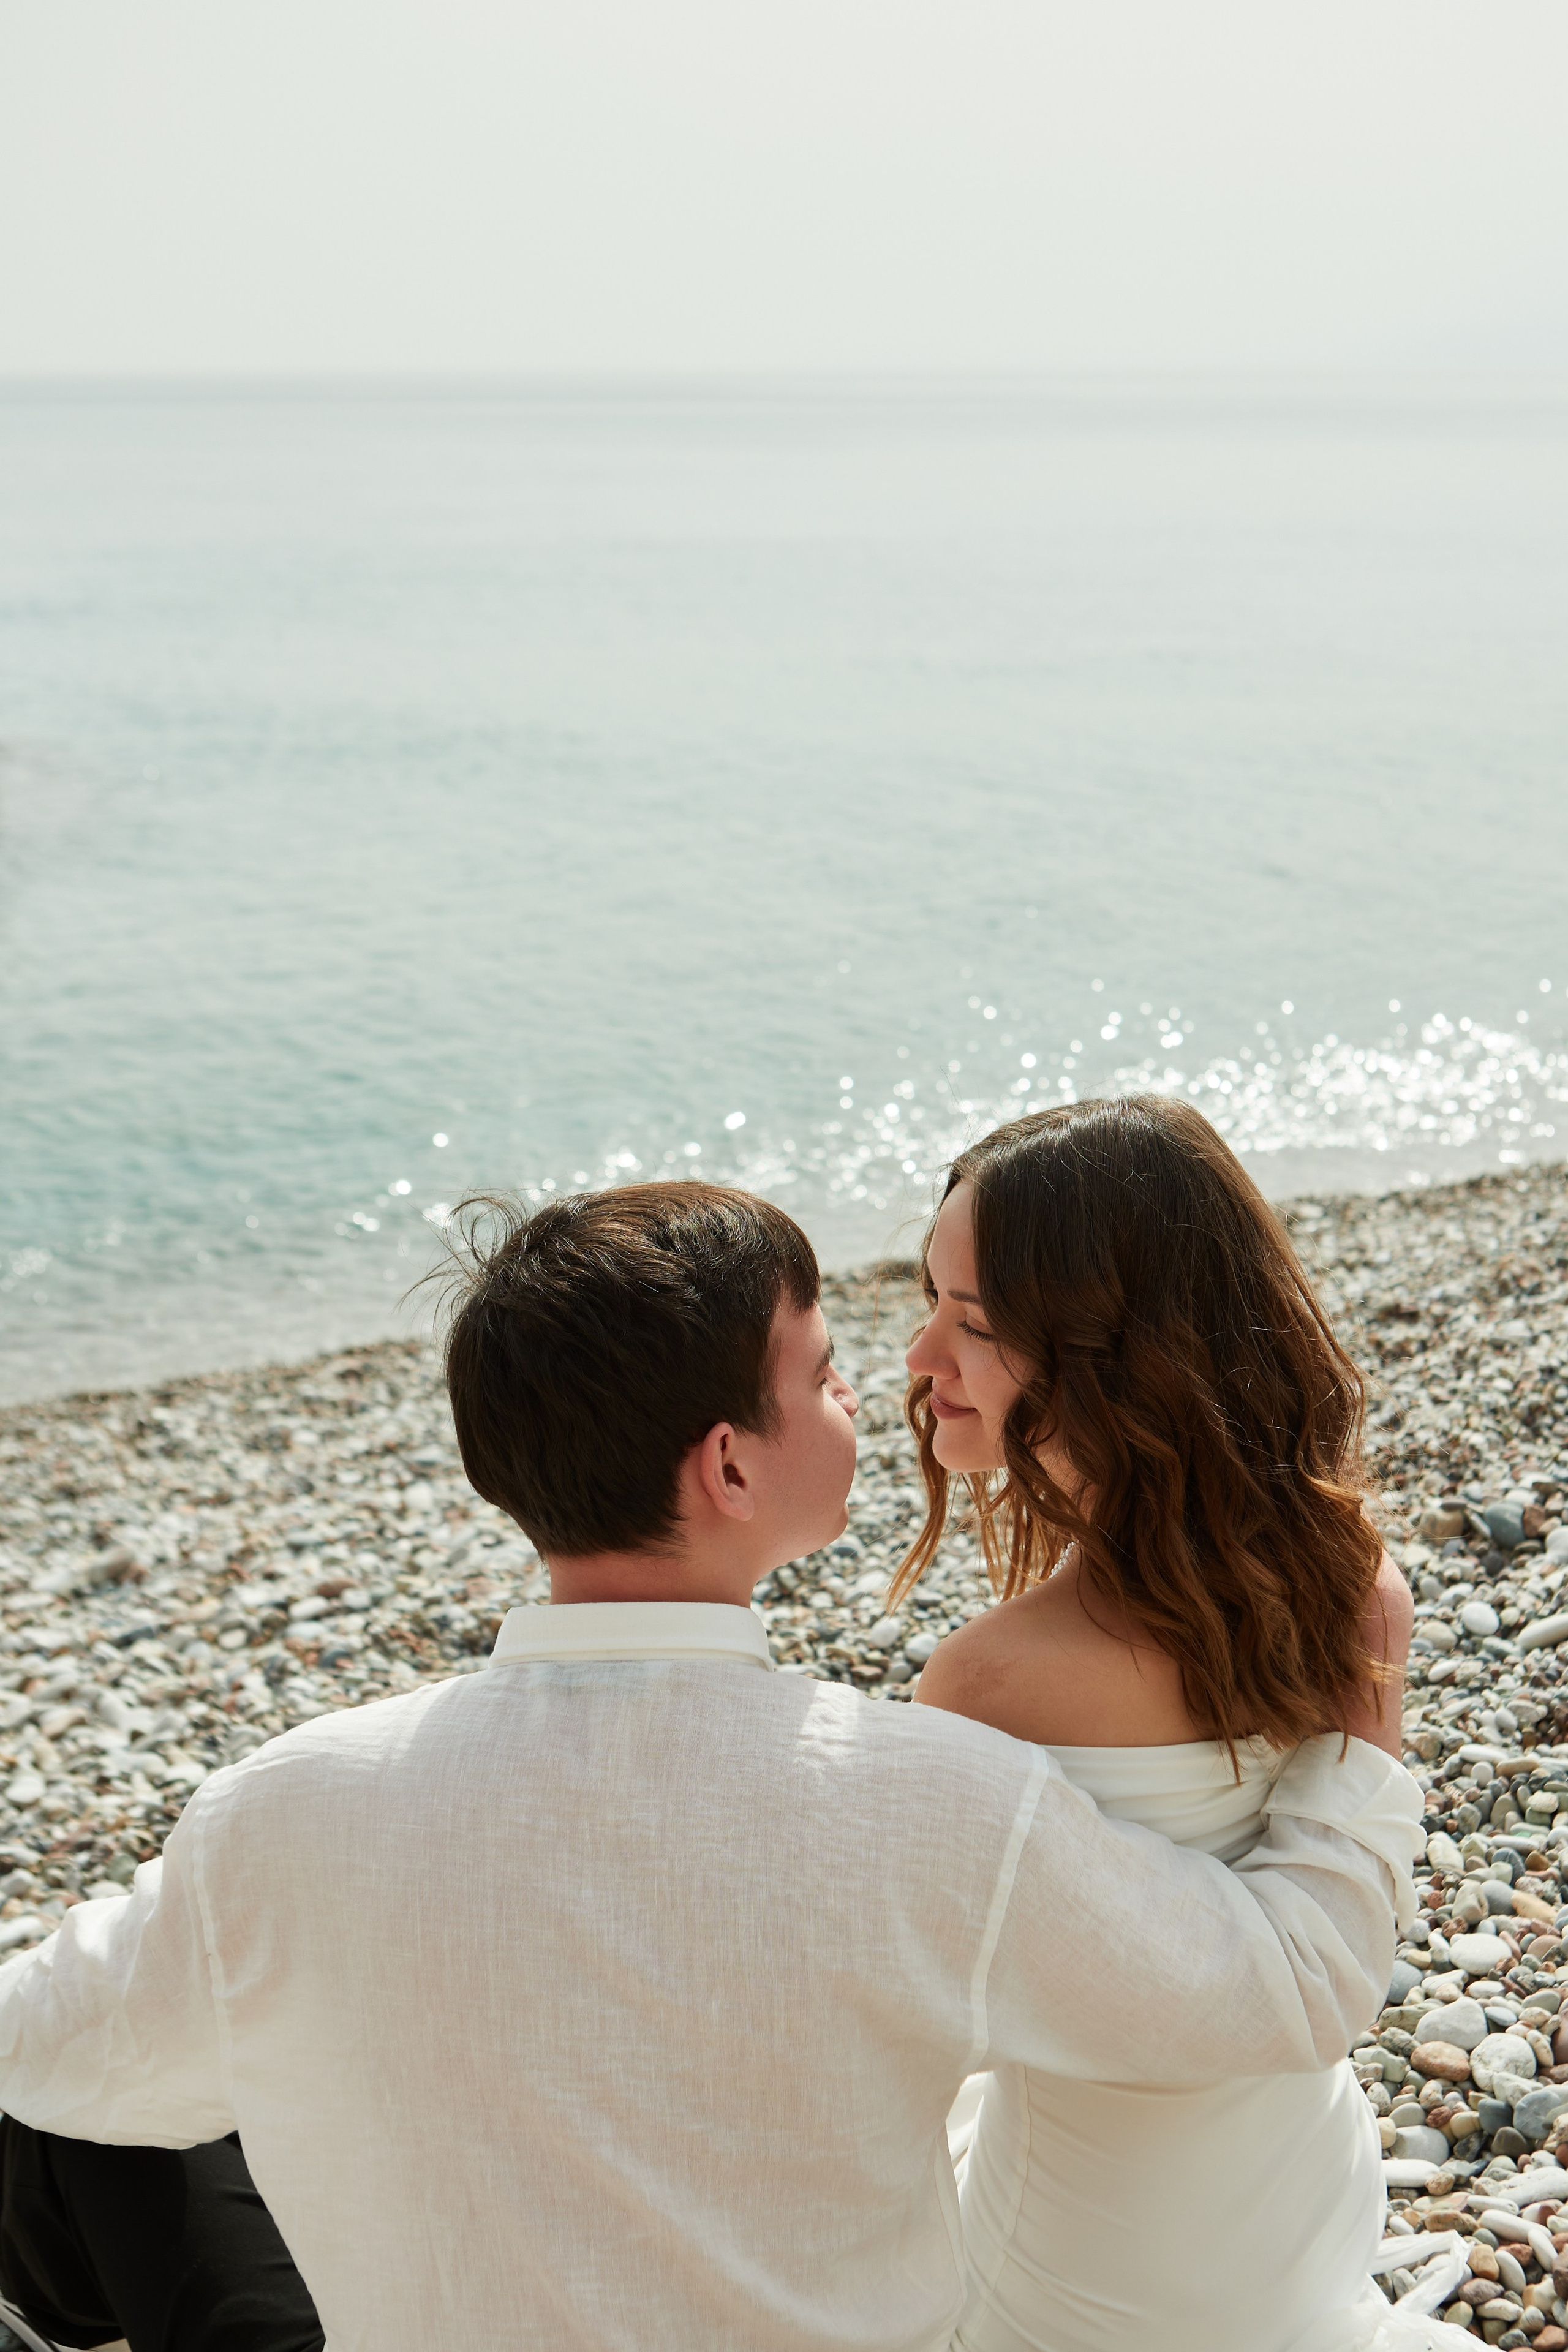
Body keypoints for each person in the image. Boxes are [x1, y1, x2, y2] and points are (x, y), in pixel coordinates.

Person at [0, 1181, 1420, 2352]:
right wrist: (1356, 1744)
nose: (881, 1388)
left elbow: (42, 2046)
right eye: (825, 1375)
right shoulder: (930, 1800)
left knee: (126, 2101)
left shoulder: (286, 1808)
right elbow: (1278, 1989)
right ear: (730, 1471)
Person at [902, 1098, 1434, 2352]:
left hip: (1094, 2269)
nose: (920, 1358)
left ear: (1109, 1358)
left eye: (969, 1324)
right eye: (926, 1302)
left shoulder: (988, 1681)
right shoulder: (1350, 1592)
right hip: (1292, 2203)